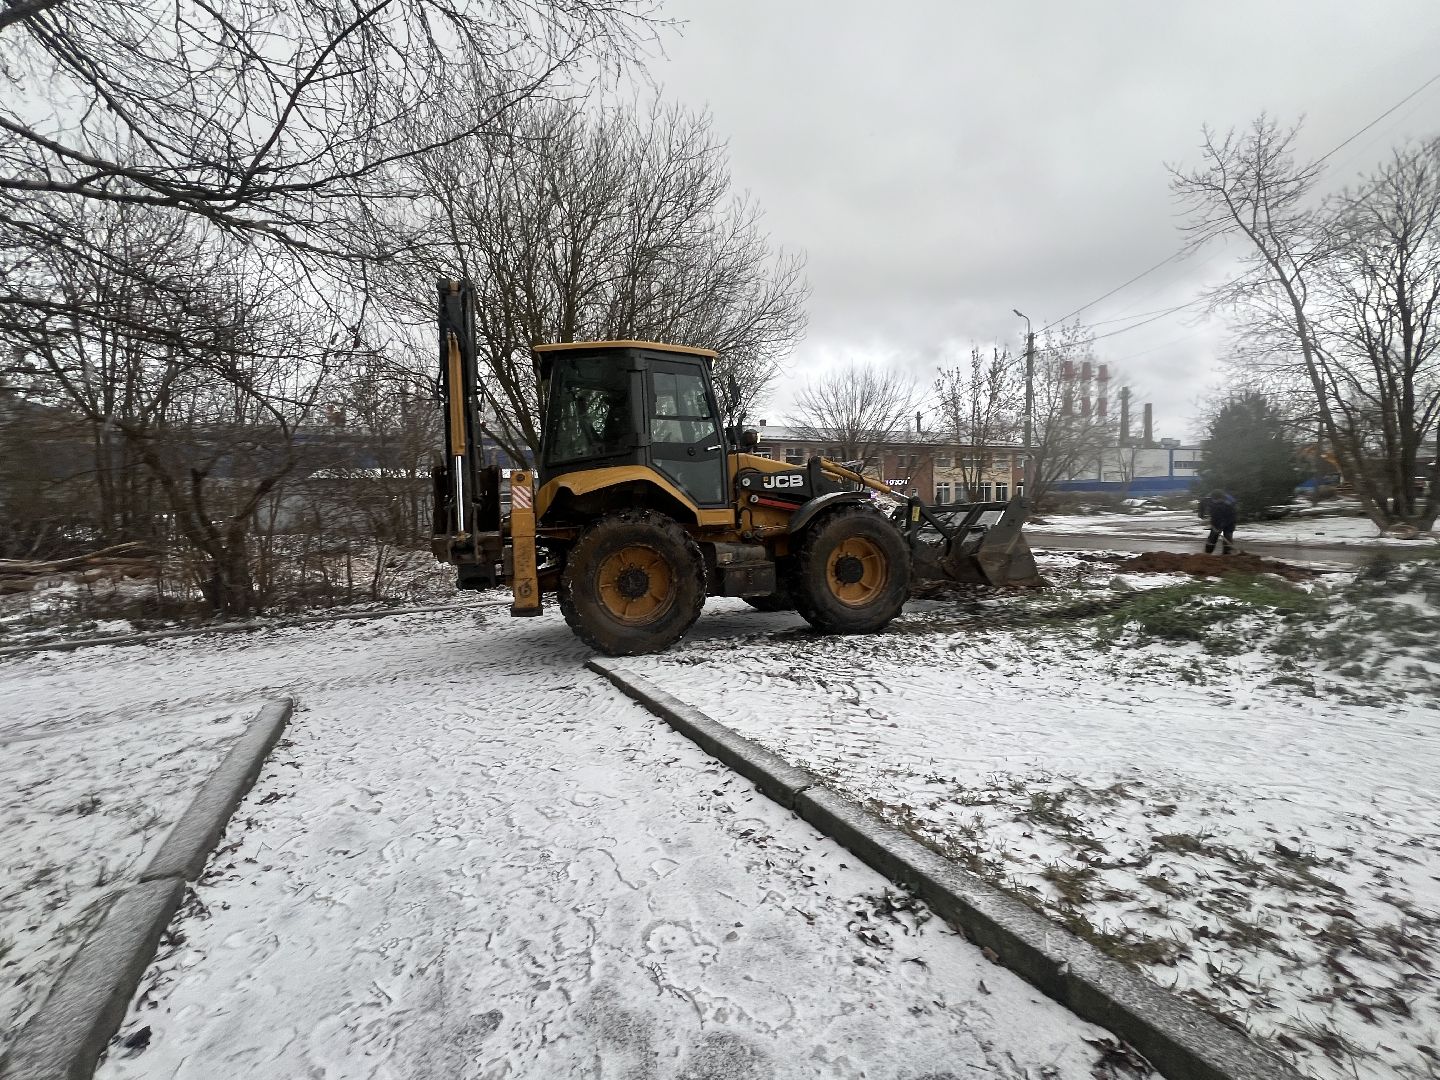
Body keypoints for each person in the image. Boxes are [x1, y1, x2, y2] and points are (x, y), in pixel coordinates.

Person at [1201, 489, 1238, 554]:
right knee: (1212, 537)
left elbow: (1231, 518)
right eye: (1214, 500)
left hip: (1229, 522)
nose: (1215, 501)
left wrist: (1221, 526)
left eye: (1217, 500)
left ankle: (1227, 555)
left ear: (1222, 498)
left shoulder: (1229, 504)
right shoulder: (1209, 499)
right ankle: (1207, 554)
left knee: (1227, 536)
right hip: (1216, 520)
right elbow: (1202, 503)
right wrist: (1201, 514)